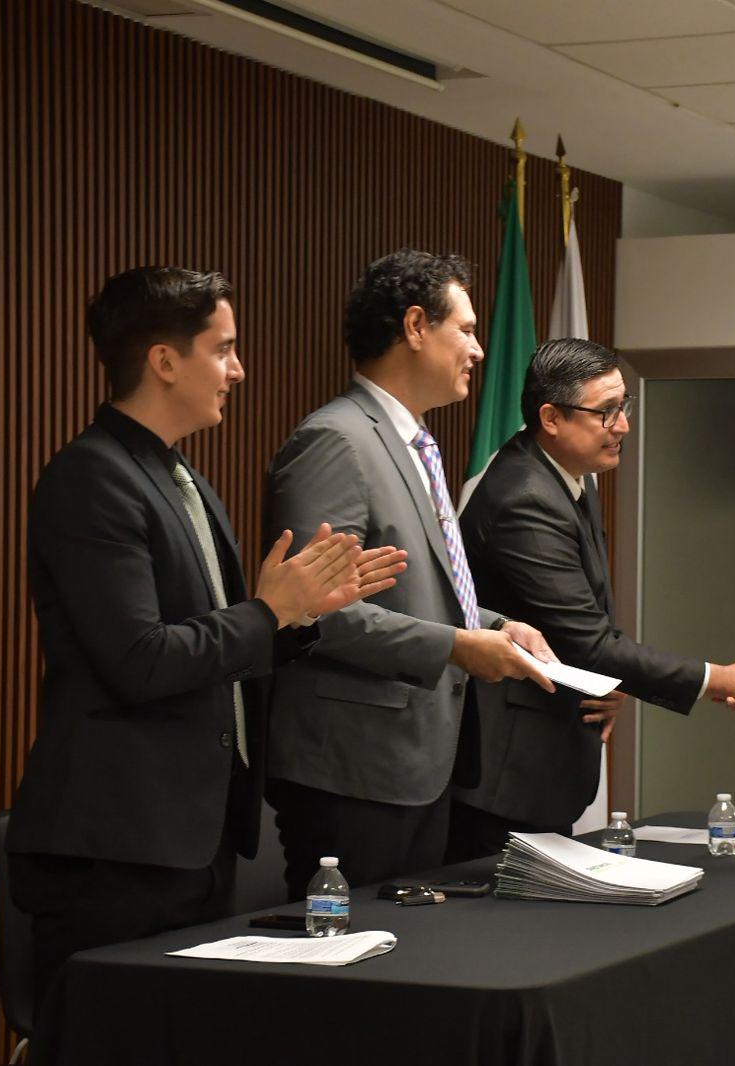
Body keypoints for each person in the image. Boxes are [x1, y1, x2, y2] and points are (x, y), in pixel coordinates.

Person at [6, 267, 406, 1015]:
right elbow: (141, 660)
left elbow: (221, 643)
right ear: (164, 360)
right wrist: (268, 610)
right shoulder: (93, 477)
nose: (238, 369)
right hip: (117, 847)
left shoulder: (178, 475)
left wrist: (298, 616)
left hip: (190, 838)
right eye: (223, 349)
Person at [263, 249, 556, 895]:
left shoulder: (411, 442)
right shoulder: (337, 441)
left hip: (422, 762)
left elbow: (419, 591)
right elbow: (313, 613)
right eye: (466, 330)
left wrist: (495, 626)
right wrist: (456, 646)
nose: (478, 350)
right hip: (354, 773)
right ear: (417, 326)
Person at [449, 337, 735, 857]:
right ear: (551, 417)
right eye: (607, 412)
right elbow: (590, 643)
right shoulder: (524, 497)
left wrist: (608, 678)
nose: (623, 426)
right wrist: (725, 680)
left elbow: (580, 624)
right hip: (504, 775)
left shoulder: (567, 474)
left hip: (542, 759)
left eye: (624, 407)